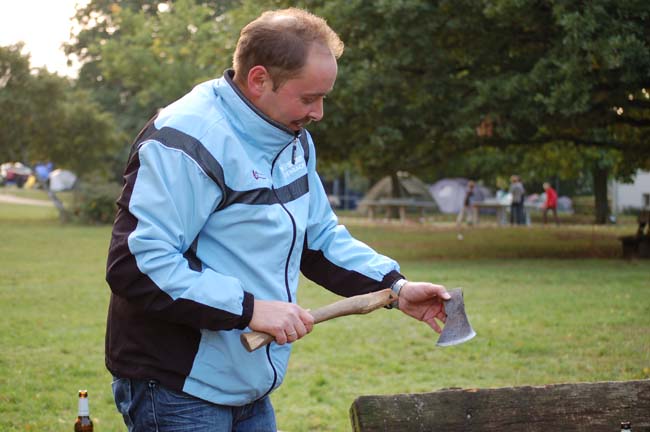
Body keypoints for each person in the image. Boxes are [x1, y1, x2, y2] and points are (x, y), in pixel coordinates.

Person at [105, 8, 450, 431]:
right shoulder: (186, 141)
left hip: (247, 385)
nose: (318, 113)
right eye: (308, 98)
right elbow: (137, 265)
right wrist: (249, 309)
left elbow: (318, 239)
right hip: (176, 386)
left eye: (323, 98)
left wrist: (395, 287)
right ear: (259, 80)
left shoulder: (292, 138)